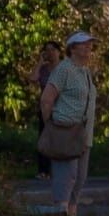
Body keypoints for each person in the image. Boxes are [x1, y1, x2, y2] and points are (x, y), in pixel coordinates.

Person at [41, 31, 99, 216]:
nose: (89, 47)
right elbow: (46, 99)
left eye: (90, 44)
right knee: (67, 174)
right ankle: (61, 211)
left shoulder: (85, 71)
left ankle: (72, 213)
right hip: (65, 129)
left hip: (83, 132)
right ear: (72, 48)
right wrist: (49, 125)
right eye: (84, 44)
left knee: (80, 177)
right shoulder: (64, 69)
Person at [32, 41, 62, 179]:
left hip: (62, 108)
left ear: (59, 51)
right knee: (45, 139)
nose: (50, 53)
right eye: (47, 50)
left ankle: (59, 169)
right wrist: (40, 62)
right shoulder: (43, 69)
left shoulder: (64, 68)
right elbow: (33, 78)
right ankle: (43, 170)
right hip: (45, 108)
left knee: (60, 139)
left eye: (53, 50)